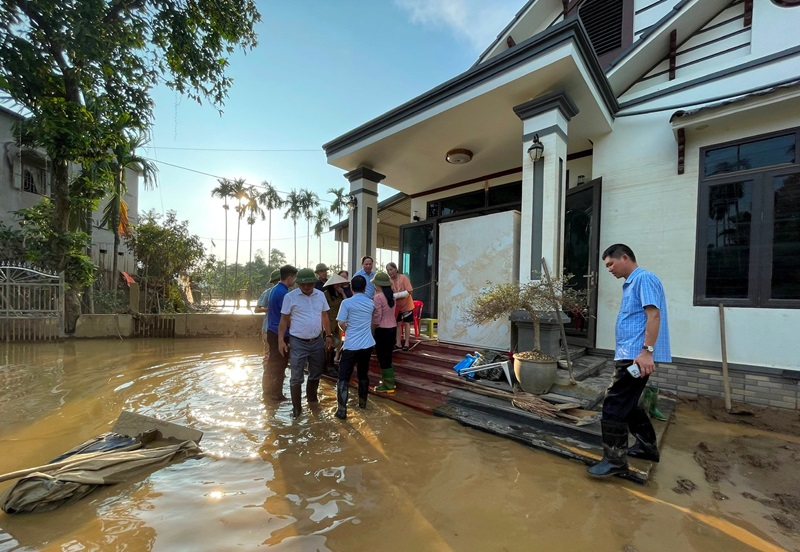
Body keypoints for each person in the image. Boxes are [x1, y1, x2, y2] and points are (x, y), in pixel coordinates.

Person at [588, 244, 671, 478]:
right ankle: (646, 447)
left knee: (613, 403)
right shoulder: (633, 283)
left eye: (611, 264)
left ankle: (615, 461)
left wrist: (647, 351)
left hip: (636, 355)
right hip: (629, 353)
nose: (610, 269)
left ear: (625, 257)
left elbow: (654, 315)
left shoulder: (644, 278)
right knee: (630, 402)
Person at [278, 268, 334, 419]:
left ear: (314, 283)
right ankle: (297, 408)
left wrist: (328, 335)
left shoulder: (320, 295)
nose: (306, 287)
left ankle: (312, 400)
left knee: (316, 373)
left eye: (309, 284)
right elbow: (283, 320)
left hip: (317, 341)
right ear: (297, 284)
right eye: (303, 285)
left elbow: (324, 316)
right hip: (297, 342)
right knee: (296, 376)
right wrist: (281, 340)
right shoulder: (290, 297)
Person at [334, 275, 375, 419]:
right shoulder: (370, 303)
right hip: (367, 344)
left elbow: (341, 323)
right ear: (365, 288)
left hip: (351, 345)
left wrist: (348, 328)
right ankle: (362, 404)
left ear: (351, 288)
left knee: (343, 376)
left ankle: (341, 410)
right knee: (363, 374)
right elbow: (371, 322)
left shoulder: (346, 303)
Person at [263, 265, 297, 402]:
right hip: (280, 334)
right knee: (280, 364)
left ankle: (268, 391)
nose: (294, 281)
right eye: (294, 278)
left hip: (272, 331)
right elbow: (286, 316)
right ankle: (276, 394)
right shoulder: (284, 294)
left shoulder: (274, 290)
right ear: (289, 277)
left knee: (272, 362)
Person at [371, 271, 397, 393]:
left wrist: (373, 328)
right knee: (389, 356)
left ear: (378, 284)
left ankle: (388, 385)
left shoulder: (377, 297)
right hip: (393, 328)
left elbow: (377, 316)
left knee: (382, 357)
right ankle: (391, 382)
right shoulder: (392, 296)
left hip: (382, 330)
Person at [255, 269, 281, 370]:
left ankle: (277, 377)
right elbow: (257, 309)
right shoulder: (268, 293)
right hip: (268, 328)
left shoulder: (286, 293)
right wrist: (270, 309)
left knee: (280, 355)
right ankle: (266, 377)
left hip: (281, 329)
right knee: (268, 355)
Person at [323, 273, 349, 370]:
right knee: (328, 344)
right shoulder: (326, 294)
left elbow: (347, 303)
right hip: (329, 320)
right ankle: (327, 365)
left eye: (339, 284)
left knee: (336, 343)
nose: (338, 286)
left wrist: (342, 293)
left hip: (338, 321)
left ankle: (331, 364)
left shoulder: (340, 294)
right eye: (336, 284)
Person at [386, 262, 414, 350]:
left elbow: (409, 291)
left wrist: (395, 295)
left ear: (396, 269)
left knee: (406, 323)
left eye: (391, 269)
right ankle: (398, 343)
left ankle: (406, 343)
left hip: (407, 305)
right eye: (388, 270)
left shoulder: (403, 277)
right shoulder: (388, 280)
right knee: (397, 324)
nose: (390, 272)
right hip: (396, 306)